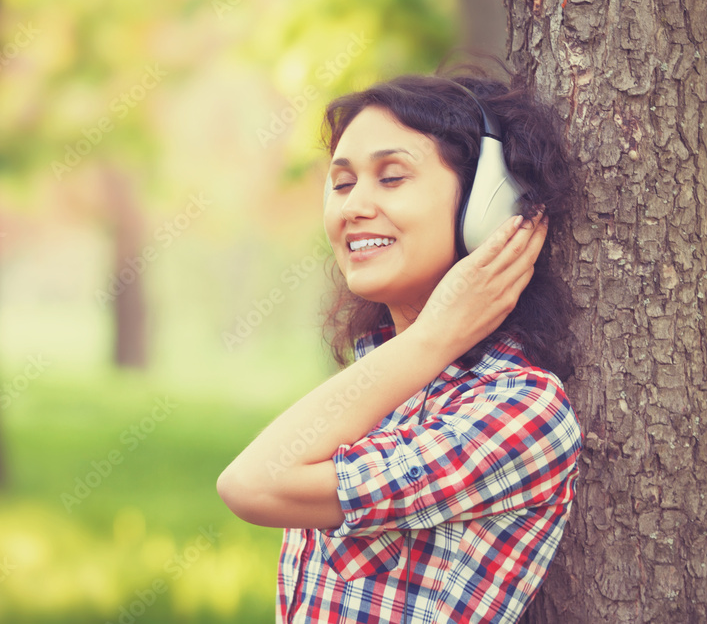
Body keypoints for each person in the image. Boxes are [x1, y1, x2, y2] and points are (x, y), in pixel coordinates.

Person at [217, 68, 584, 623]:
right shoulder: (389, 384)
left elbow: (250, 486)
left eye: (391, 178)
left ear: (486, 208)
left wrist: (435, 336)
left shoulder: (518, 411)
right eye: (342, 183)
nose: (353, 207)